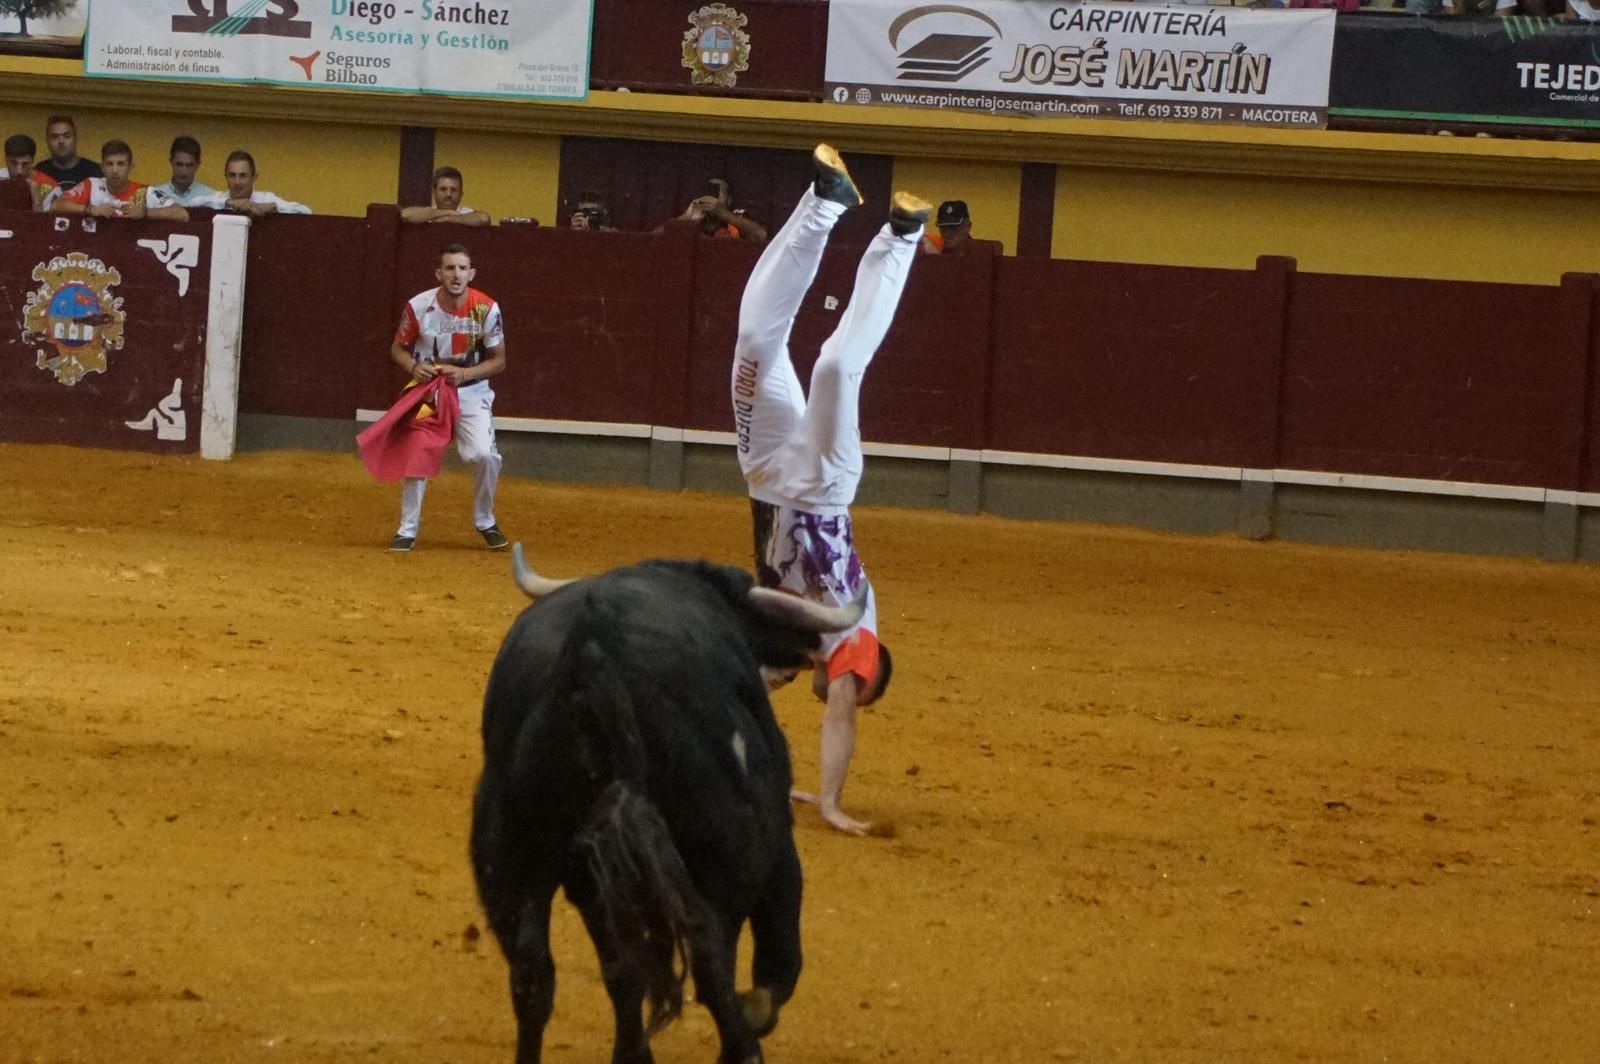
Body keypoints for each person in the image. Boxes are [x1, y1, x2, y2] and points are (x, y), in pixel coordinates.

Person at [731, 143, 929, 836]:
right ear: (868, 674)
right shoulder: (852, 642)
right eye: (849, 688)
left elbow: (741, 694)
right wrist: (831, 800)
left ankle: (825, 202)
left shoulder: (792, 653)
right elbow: (840, 709)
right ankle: (900, 240)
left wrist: (760, 777)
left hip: (763, 469)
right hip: (823, 484)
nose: (834, 694)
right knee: (837, 368)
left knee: (757, 337)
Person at [387, 243, 509, 553]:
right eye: (450, 268)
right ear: (439, 273)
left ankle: (485, 519)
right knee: (418, 453)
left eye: (462, 268)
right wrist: (415, 367)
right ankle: (407, 529)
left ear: (472, 273)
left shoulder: (486, 308)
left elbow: (499, 360)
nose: (456, 274)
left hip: (471, 390)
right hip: (429, 391)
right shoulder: (418, 306)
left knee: (485, 456)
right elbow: (397, 348)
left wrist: (466, 374)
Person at [50, 140, 189, 222]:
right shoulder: (91, 184)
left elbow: (182, 214)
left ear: (130, 167)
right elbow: (56, 205)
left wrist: (145, 213)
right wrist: (91, 210)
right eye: (110, 164)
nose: (115, 170)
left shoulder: (144, 191)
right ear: (102, 168)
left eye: (121, 164)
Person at [192, 150, 311, 216]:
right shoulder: (220, 199)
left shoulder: (266, 198)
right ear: (225, 177)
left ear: (254, 177)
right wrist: (230, 203)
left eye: (243, 176)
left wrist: (275, 207)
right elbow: (192, 203)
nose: (237, 182)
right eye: (232, 175)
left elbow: (306, 211)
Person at [679, 177, 768, 243]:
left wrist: (723, 213)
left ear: (729, 200)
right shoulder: (697, 216)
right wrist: (687, 217)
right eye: (709, 193)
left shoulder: (739, 216)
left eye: (717, 193)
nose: (712, 198)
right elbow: (666, 237)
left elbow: (761, 236)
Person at [401, 166, 491, 227]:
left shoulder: (466, 212)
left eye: (453, 190)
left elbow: (484, 219)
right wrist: (445, 213)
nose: (448, 194)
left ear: (461, 195)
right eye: (443, 189)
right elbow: (405, 215)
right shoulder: (427, 213)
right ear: (433, 193)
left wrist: (452, 219)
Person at [33, 115, 102, 195]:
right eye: (55, 137)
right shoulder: (39, 171)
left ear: (75, 139)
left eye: (67, 136)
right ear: (47, 141)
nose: (61, 141)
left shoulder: (94, 172)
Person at [150, 135, 217, 206]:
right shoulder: (155, 196)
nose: (183, 172)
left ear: (198, 165)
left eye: (189, 165)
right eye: (179, 165)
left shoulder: (211, 197)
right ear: (171, 162)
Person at [1, 133, 44, 211]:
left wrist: (37, 203)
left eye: (25, 164)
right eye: (14, 163)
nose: (19, 171)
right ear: (6, 160)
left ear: (33, 162)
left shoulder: (49, 189)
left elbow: (47, 222)